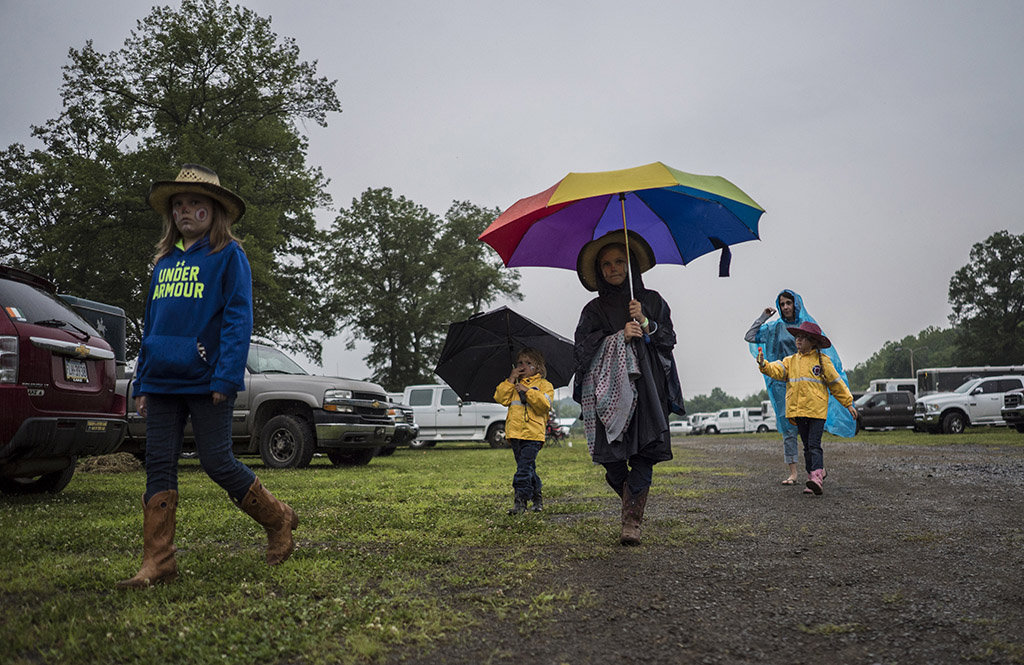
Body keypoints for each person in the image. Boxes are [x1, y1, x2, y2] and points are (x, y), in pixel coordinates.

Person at [118, 164, 298, 588]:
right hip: (161, 378)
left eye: (195, 203)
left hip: (206, 378)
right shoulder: (163, 262)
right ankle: (158, 562)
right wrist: (141, 380)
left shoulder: (228, 256)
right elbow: (152, 323)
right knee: (159, 464)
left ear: (213, 211)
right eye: (178, 204)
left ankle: (278, 519)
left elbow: (238, 318)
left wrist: (225, 375)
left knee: (218, 462)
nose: (184, 210)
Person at [573, 230, 684, 545]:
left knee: (645, 454)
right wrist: (617, 337)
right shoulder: (592, 311)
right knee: (612, 461)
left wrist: (646, 323)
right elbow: (580, 350)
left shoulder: (650, 301)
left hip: (649, 388)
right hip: (607, 396)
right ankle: (629, 496)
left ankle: (631, 521)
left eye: (619, 261)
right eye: (606, 264)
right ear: (599, 271)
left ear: (631, 264)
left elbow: (668, 341)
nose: (613, 268)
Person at [757, 321, 858, 495]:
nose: (799, 340)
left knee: (814, 444)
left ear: (813, 342)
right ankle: (815, 475)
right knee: (806, 447)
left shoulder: (822, 361)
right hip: (798, 411)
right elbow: (777, 370)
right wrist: (764, 365)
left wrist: (848, 403)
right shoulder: (790, 361)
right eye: (797, 337)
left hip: (816, 411)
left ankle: (816, 478)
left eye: (803, 338)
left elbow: (836, 383)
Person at [744, 290, 803, 484]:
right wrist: (763, 317)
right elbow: (750, 336)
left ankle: (817, 468)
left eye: (789, 303)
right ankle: (793, 472)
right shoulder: (775, 327)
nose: (786, 307)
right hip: (781, 383)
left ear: (796, 304)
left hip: (803, 383)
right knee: (788, 428)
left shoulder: (805, 326)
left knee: (808, 426)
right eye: (782, 304)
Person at [494, 348, 555, 514]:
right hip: (515, 434)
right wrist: (511, 379)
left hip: (533, 435)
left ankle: (520, 502)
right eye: (520, 363)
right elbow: (500, 398)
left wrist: (528, 392)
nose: (523, 366)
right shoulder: (513, 385)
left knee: (523, 469)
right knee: (529, 468)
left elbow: (544, 405)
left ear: (539, 368)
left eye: (529, 363)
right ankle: (537, 497)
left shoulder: (544, 385)